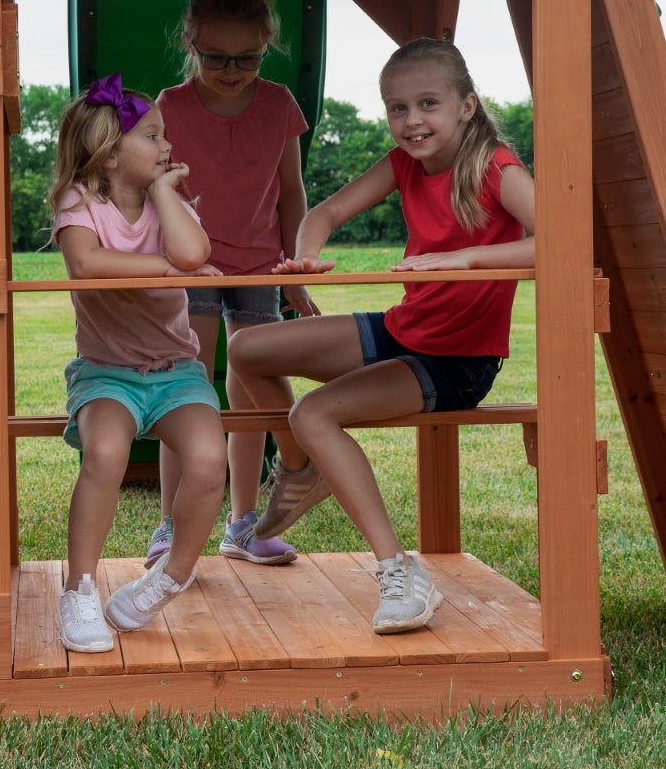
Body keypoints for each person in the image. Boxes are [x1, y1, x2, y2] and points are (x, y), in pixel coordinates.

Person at [227, 37, 536, 633]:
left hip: (457, 362)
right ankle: (299, 469)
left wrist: (469, 258)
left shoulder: (496, 167)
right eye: (397, 108)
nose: (412, 121)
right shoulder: (402, 165)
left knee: (313, 414)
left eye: (428, 103)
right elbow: (322, 215)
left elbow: (563, 237)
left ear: (467, 105)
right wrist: (307, 260)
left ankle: (399, 572)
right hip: (403, 332)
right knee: (247, 349)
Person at [49, 72, 229, 653]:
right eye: (152, 136)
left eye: (165, 136)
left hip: (177, 370)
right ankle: (78, 589)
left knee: (208, 460)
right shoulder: (80, 201)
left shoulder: (169, 203)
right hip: (107, 373)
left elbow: (194, 253)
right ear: (107, 153)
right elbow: (88, 265)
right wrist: (170, 273)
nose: (167, 146)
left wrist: (163, 193)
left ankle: (171, 576)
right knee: (105, 453)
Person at [148, 0, 320, 571]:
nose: (230, 69)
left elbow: (292, 191)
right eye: (215, 56)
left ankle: (242, 523)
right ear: (189, 43)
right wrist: (176, 260)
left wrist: (292, 272)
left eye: (247, 58)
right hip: (193, 264)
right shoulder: (169, 107)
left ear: (266, 48)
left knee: (249, 396)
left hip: (259, 263)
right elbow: (158, 193)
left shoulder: (278, 104)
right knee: (187, 392)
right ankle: (172, 524)